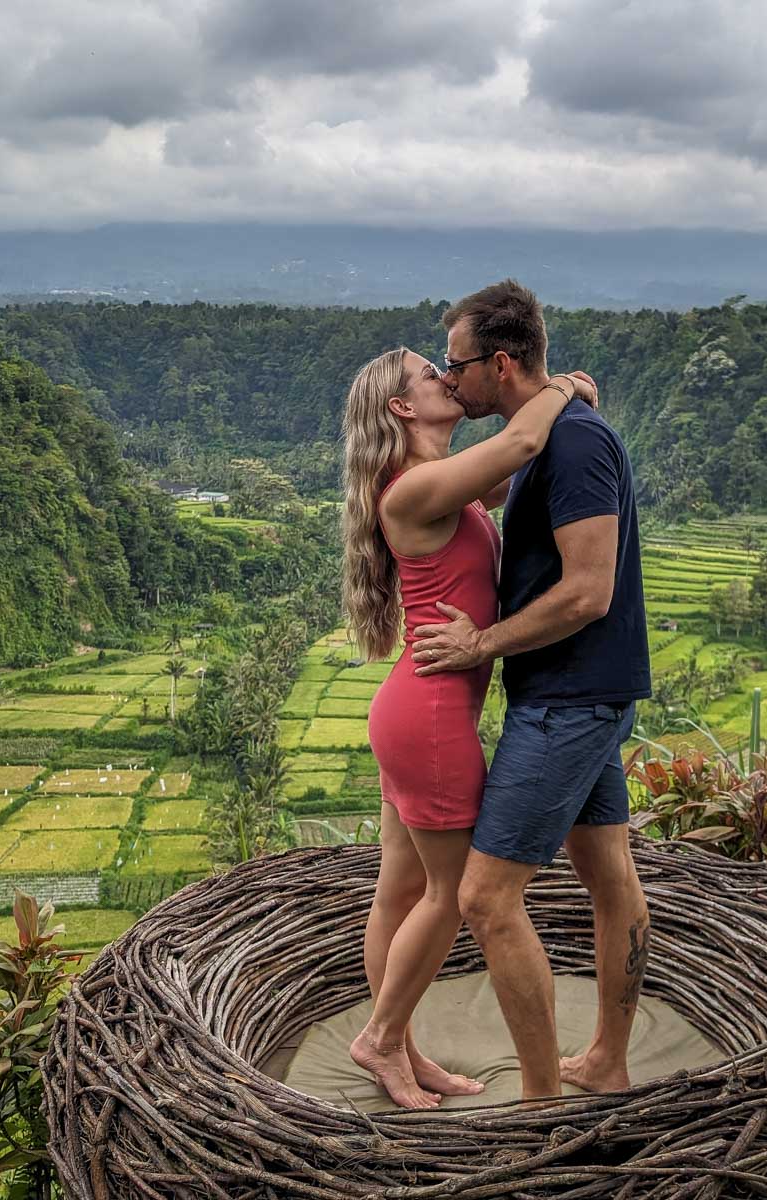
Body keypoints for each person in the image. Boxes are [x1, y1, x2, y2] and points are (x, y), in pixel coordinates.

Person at [411, 279, 652, 1101]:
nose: (450, 379)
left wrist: (481, 642)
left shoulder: (577, 444)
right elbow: (483, 485)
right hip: (582, 691)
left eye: (457, 365)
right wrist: (556, 393)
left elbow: (588, 590)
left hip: (570, 699)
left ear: (500, 363)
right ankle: (608, 1063)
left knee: (484, 897)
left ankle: (543, 1102)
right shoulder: (544, 432)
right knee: (607, 869)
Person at [341, 344, 597, 1109]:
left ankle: (403, 1052)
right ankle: (382, 1041)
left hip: (410, 707)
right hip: (430, 718)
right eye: (431, 375)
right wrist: (561, 388)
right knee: (451, 895)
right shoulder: (413, 489)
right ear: (402, 408)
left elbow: (521, 473)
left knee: (400, 890)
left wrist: (564, 415)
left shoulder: (436, 488)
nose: (447, 379)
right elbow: (520, 442)